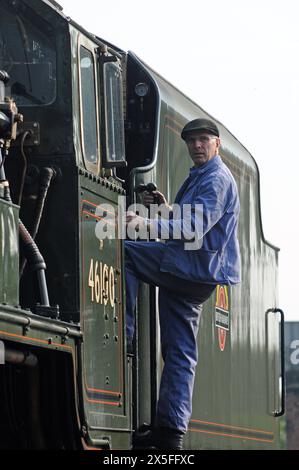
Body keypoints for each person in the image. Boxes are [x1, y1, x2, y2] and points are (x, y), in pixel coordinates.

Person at [125, 118, 241, 449]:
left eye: (204, 140)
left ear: (217, 144)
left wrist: (146, 223)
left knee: (126, 253)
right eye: (191, 142)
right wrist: (164, 209)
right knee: (180, 352)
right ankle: (170, 434)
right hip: (196, 272)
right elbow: (189, 219)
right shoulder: (203, 176)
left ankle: (125, 336)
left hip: (189, 267)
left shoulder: (215, 179)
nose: (197, 146)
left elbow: (194, 227)